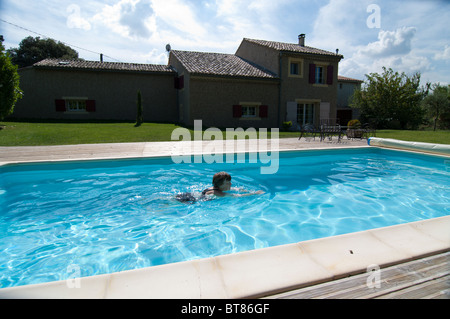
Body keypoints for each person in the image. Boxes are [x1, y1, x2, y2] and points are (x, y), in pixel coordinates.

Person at [175, 171, 263, 203]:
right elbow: (236, 196)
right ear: (221, 185)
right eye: (228, 183)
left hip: (187, 195)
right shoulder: (216, 193)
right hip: (186, 200)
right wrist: (255, 193)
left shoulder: (214, 188)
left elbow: (235, 189)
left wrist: (243, 190)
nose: (231, 184)